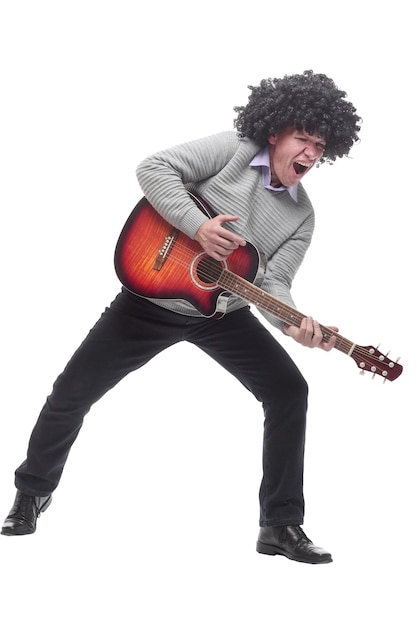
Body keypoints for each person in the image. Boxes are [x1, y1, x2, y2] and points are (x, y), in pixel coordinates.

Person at [1, 70, 361, 564]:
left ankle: (280, 525)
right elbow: (154, 168)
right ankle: (32, 492)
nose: (311, 153)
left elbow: (273, 283)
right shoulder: (234, 148)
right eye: (303, 138)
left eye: (320, 145)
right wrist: (199, 226)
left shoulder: (303, 217)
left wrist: (294, 323)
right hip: (149, 300)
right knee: (71, 392)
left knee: (288, 390)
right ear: (275, 132)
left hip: (224, 313)